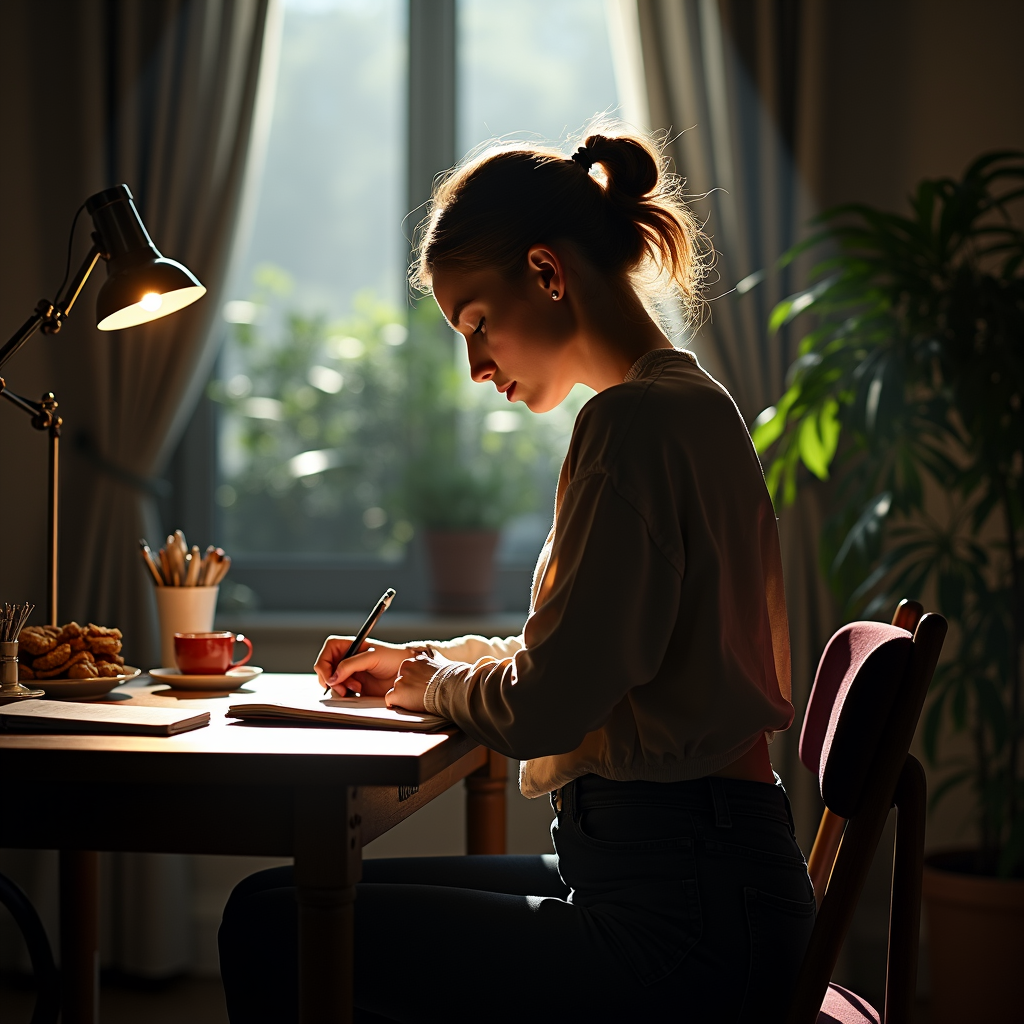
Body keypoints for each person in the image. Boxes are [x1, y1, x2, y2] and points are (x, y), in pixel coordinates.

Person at [219, 127, 815, 1023]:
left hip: (687, 927)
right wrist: (424, 666)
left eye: (476, 322)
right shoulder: (685, 402)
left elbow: (547, 707)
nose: (475, 365)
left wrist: (431, 681)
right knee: (274, 903)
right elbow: (598, 659)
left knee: (273, 928)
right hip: (707, 884)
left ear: (546, 271)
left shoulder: (634, 427)